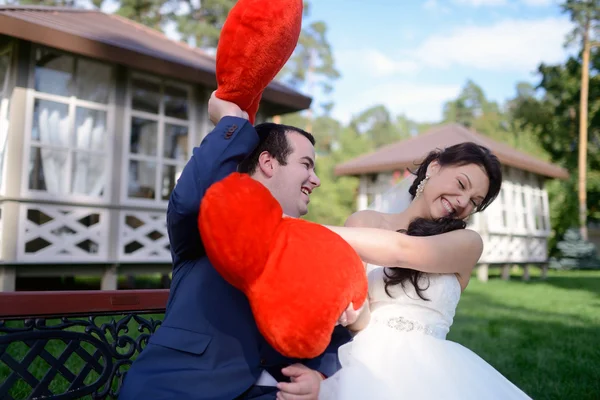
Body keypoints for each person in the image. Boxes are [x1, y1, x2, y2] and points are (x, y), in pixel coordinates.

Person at [119, 94, 357, 400]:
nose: (316, 180)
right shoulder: (208, 219)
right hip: (178, 387)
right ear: (269, 163)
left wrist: (319, 374)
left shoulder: (307, 246)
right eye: (306, 165)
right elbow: (190, 199)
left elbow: (331, 331)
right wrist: (231, 122)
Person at [275, 142, 532, 399]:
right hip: (367, 360)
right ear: (434, 167)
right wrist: (352, 309)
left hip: (436, 370)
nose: (463, 202)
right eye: (461, 184)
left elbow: (402, 249)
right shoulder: (365, 223)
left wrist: (296, 229)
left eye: (475, 201)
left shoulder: (467, 243)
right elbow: (359, 320)